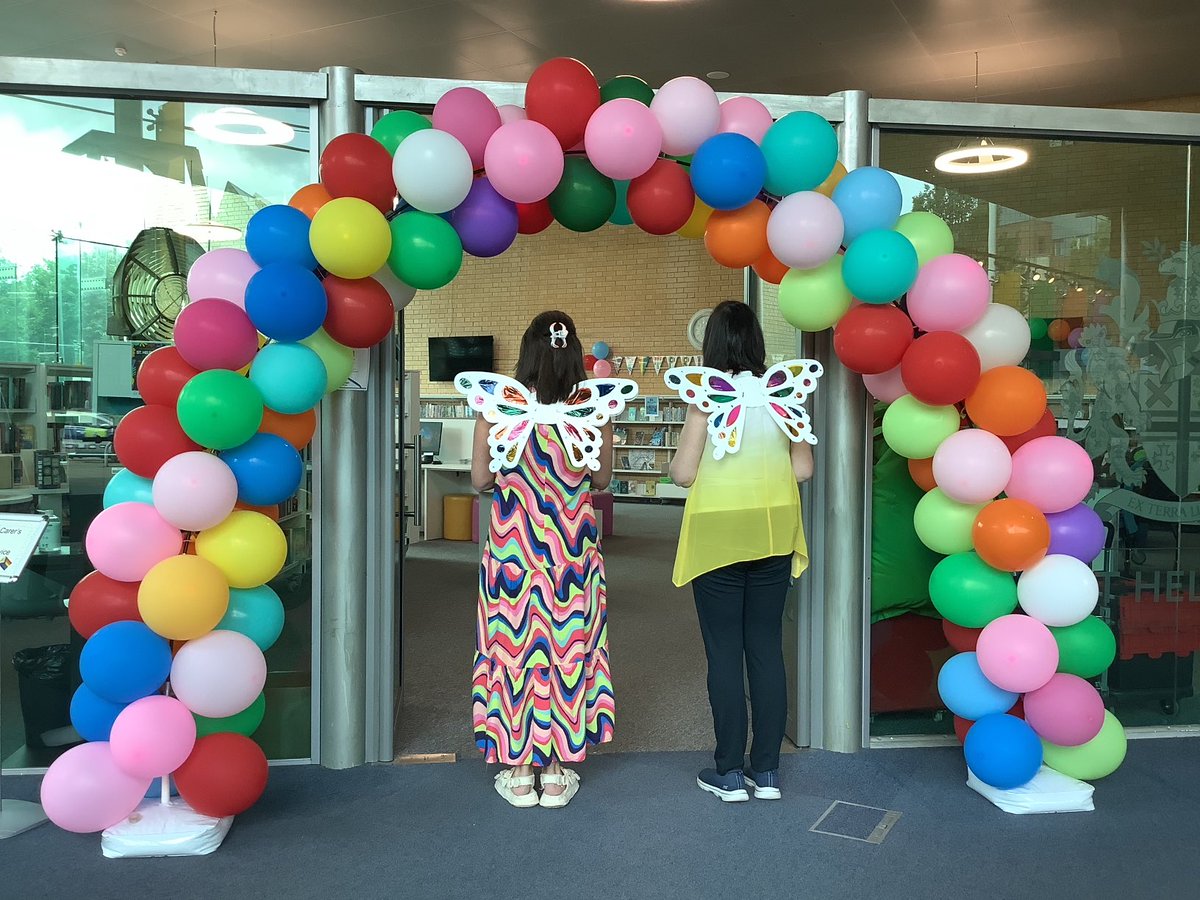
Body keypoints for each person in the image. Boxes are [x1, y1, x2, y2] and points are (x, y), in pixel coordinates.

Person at [456, 311, 636, 808]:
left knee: (512, 651)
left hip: (513, 550)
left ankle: (518, 773)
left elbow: (480, 479)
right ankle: (555, 774)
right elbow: (601, 480)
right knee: (567, 648)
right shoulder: (592, 409)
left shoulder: (498, 407)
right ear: (575, 351)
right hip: (571, 551)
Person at [666, 300, 817, 802]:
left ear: (711, 343)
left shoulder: (706, 398)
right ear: (756, 341)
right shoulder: (784, 395)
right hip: (772, 531)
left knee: (725, 652)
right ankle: (766, 771)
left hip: (717, 535)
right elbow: (803, 470)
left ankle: (729, 772)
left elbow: (683, 474)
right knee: (766, 648)